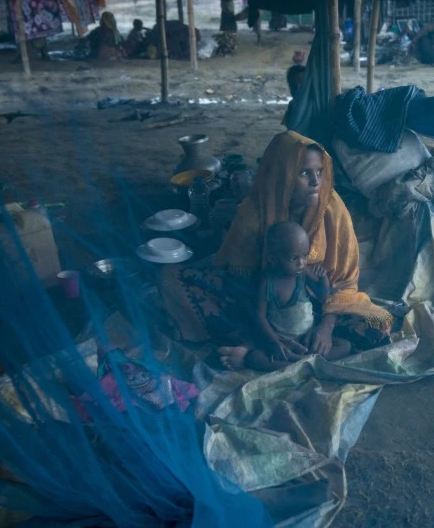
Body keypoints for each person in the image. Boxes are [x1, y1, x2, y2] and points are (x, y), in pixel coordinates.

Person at [161, 131, 393, 360]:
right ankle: (261, 346)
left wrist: (326, 326)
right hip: (265, 302)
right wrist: (270, 334)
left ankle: (261, 350)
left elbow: (344, 280)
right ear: (284, 175)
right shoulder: (253, 212)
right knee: (172, 278)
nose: (315, 182)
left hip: (321, 305)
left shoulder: (332, 209)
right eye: (304, 173)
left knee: (380, 323)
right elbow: (241, 286)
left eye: (319, 172)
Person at [222, 221, 351, 370]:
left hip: (307, 336)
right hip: (282, 340)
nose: (301, 263)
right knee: (255, 358)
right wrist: (275, 343)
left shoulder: (302, 273)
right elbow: (259, 316)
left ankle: (298, 363)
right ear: (273, 259)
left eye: (305, 256)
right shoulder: (266, 283)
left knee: (344, 346)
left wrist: (323, 280)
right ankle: (305, 362)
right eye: (293, 258)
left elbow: (323, 296)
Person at [282, 63, 307, 129]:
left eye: (302, 83)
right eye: (294, 85)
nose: (298, 88)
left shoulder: (318, 104)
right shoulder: (292, 104)